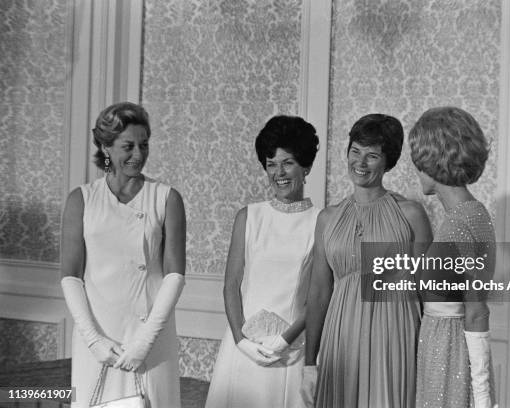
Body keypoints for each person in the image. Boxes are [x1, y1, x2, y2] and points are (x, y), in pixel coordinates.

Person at [302, 114, 433, 408]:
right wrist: (310, 362)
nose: (360, 163)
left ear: (388, 161)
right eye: (355, 151)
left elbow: (430, 291)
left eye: (372, 155)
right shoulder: (328, 218)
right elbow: (319, 291)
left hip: (395, 333)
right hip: (342, 335)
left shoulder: (411, 214)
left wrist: (431, 355)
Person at [60, 102, 185, 408]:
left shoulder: (166, 197)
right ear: (106, 148)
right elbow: (70, 276)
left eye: (144, 145)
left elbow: (175, 275)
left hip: (151, 335)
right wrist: (93, 339)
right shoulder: (82, 199)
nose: (138, 155)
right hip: (99, 334)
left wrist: (145, 341)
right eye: (128, 146)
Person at [206, 115, 320, 408]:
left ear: (306, 166)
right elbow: (231, 285)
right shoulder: (249, 216)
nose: (278, 173)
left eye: (288, 163)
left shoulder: (321, 222)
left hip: (291, 350)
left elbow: (320, 296)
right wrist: (241, 341)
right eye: (271, 164)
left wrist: (283, 341)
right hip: (242, 348)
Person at [408, 106, 496, 408]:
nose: (416, 169)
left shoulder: (459, 225)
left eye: (418, 161)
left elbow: (476, 310)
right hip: (441, 348)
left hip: (448, 353)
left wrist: (483, 398)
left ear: (434, 160)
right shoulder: (473, 213)